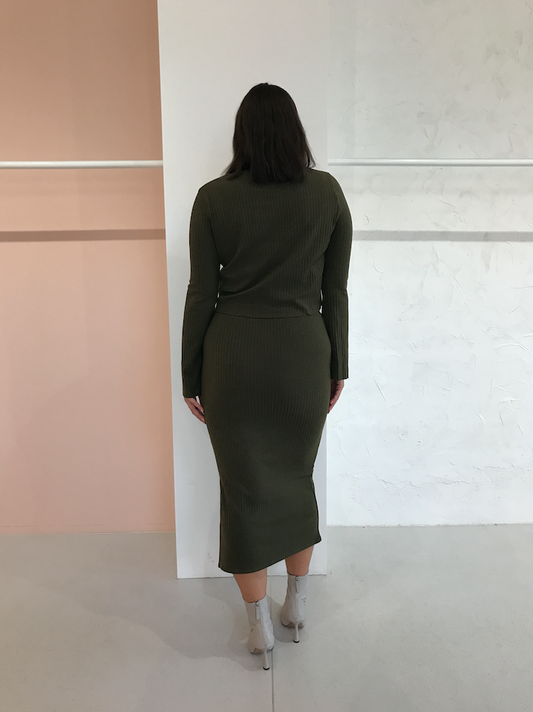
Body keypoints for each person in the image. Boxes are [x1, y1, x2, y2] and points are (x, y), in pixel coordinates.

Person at [181, 83, 352, 670]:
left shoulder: (213, 199)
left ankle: (258, 628)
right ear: (294, 131)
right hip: (302, 357)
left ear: (243, 135)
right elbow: (335, 292)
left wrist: (189, 375)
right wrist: (338, 366)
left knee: (245, 492)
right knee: (295, 482)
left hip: (232, 362)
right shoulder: (327, 194)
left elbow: (201, 294)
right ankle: (296, 605)